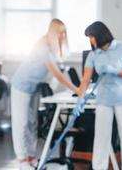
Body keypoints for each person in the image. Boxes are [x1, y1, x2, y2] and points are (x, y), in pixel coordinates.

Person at [10, 18, 78, 170]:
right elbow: (57, 74)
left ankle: (31, 156)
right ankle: (22, 159)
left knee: (33, 123)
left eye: (64, 32)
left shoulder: (53, 48)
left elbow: (58, 70)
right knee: (21, 124)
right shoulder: (43, 47)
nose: (63, 36)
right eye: (60, 32)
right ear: (54, 32)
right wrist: (76, 89)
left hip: (34, 87)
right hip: (21, 86)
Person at [77, 21, 122, 170]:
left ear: (100, 35)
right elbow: (85, 79)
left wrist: (115, 71)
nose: (90, 40)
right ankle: (99, 168)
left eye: (91, 36)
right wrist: (79, 99)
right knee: (101, 138)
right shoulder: (93, 54)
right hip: (104, 99)